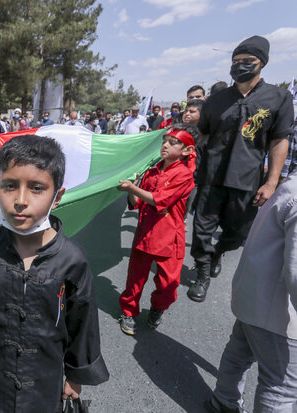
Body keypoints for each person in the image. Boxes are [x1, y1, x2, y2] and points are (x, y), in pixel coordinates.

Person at [0, 135, 109, 412]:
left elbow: (83, 321)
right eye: (10, 186)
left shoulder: (71, 259)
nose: (21, 200)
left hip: (43, 383)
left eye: (37, 188)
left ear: (57, 196)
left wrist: (75, 378)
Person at [188, 35, 294, 303]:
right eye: (235, 61)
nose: (240, 66)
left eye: (247, 61)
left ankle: (220, 251)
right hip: (211, 177)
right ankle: (201, 271)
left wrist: (271, 183)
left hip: (247, 180)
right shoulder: (216, 99)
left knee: (238, 233)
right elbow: (201, 134)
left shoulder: (278, 98)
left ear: (262, 63)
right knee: (202, 229)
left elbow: (280, 140)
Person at [204, 169, 297, 413]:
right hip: (278, 313)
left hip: (253, 295)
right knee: (281, 388)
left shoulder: (291, 186)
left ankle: (223, 400)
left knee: (239, 353)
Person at [117, 124, 196, 335]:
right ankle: (129, 312)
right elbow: (137, 203)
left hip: (170, 236)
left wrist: (134, 188)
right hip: (145, 232)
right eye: (165, 141)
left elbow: (158, 200)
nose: (165, 145)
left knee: (168, 284)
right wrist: (133, 187)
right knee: (135, 278)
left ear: (187, 150)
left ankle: (158, 308)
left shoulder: (184, 175)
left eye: (173, 142)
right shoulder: (151, 171)